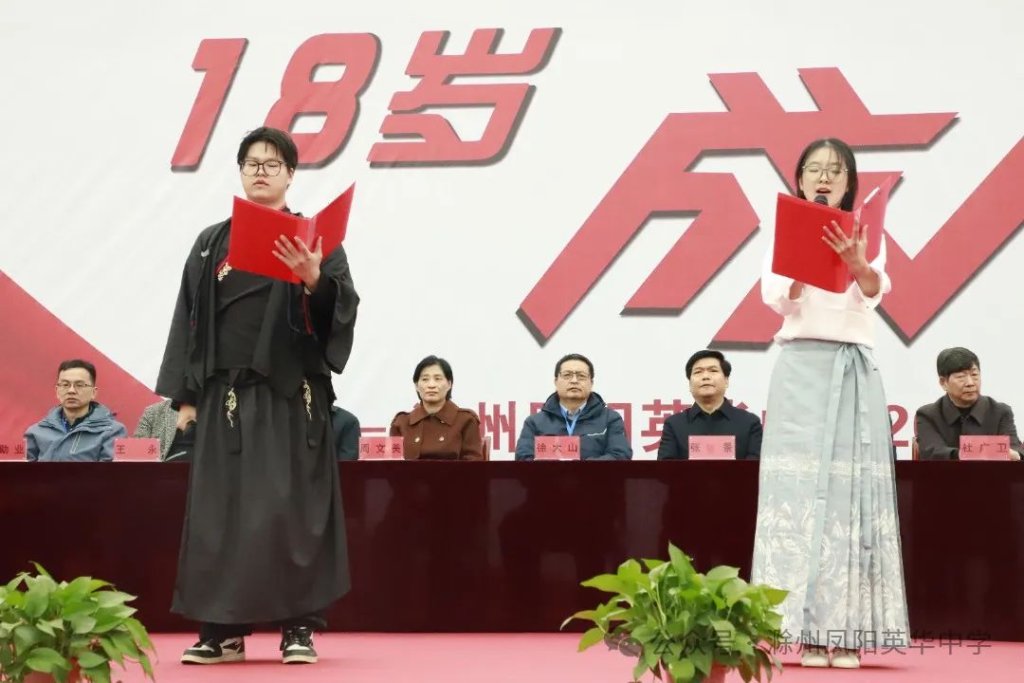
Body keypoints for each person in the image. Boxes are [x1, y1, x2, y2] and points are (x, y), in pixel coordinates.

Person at [156, 127, 359, 665]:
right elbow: (188, 320)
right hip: (224, 399)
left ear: (291, 174)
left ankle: (298, 628)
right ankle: (221, 630)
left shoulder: (316, 239)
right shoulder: (210, 243)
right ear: (241, 172)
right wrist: (187, 398)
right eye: (252, 163)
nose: (261, 171)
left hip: (292, 399)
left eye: (273, 164)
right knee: (219, 515)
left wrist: (315, 280)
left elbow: (341, 313)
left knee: (292, 513)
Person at [750, 138, 908, 669]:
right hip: (799, 371)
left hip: (850, 366)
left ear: (849, 182)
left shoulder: (865, 231)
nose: (823, 177)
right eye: (814, 169)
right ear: (799, 180)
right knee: (795, 499)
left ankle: (846, 633)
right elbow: (777, 298)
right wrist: (803, 265)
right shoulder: (783, 233)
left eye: (835, 171)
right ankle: (802, 634)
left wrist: (857, 262)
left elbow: (874, 291)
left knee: (848, 497)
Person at [515, 354, 632, 461]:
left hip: (594, 478)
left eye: (581, 376)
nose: (574, 381)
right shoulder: (535, 422)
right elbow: (523, 458)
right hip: (548, 478)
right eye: (567, 375)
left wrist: (579, 469)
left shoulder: (610, 419)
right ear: (556, 381)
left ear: (591, 383)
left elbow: (620, 456)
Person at [915, 347, 1022, 460]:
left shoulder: (1000, 411)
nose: (970, 383)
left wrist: (1015, 455)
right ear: (943, 382)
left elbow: (1014, 450)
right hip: (947, 471)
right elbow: (933, 453)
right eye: (961, 377)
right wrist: (976, 453)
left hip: (993, 472)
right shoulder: (928, 415)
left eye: (974, 375)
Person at [657, 349, 762, 460]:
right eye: (698, 372)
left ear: (726, 381)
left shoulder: (750, 423)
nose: (705, 376)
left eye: (713, 370)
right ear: (690, 384)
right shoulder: (674, 425)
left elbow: (756, 468)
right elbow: (665, 468)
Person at [25, 359, 126, 462]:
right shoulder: (36, 431)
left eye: (79, 385)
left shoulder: (112, 432)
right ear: (57, 391)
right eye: (65, 385)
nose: (71, 391)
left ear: (93, 392)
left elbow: (111, 471)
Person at [390, 355, 483, 460]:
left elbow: (473, 465)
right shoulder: (401, 422)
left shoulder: (466, 420)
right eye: (425, 379)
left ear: (449, 384)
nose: (431, 385)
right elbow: (391, 465)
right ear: (416, 386)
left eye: (438, 379)